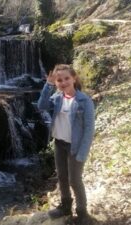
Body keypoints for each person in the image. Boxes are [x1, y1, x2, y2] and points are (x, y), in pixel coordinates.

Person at [37, 64, 95, 224]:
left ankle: (82, 212)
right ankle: (65, 206)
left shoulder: (84, 101)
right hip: (59, 144)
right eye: (59, 80)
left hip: (75, 146)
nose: (63, 82)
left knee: (75, 180)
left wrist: (82, 153)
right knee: (62, 177)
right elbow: (41, 106)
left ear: (74, 78)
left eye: (66, 78)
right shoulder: (56, 98)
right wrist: (48, 85)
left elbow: (89, 129)